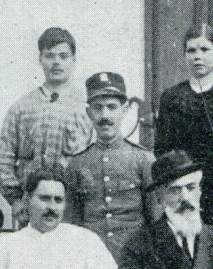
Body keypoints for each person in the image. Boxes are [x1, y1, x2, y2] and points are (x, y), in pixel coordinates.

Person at [0, 27, 93, 225]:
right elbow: (4, 157)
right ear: (40, 59)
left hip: (71, 206)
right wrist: (15, 200)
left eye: (63, 56)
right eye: (50, 56)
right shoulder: (21, 107)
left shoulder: (86, 107)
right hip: (30, 206)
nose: (56, 62)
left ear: (73, 60)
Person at [154, 23, 213, 225]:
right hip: (183, 190)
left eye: (205, 50)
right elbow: (162, 150)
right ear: (184, 56)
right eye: (191, 50)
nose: (198, 56)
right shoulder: (171, 98)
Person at [65, 71, 154, 258]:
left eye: (112, 107)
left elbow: (156, 218)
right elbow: (71, 223)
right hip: (90, 256)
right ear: (89, 112)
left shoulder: (143, 159)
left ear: (125, 109)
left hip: (134, 258)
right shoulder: (77, 163)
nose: (105, 115)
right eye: (98, 108)